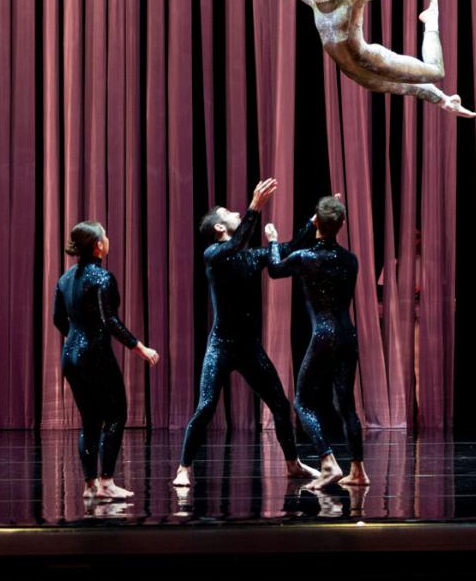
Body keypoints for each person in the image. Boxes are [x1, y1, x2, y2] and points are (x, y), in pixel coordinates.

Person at [173, 178, 319, 487]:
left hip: (249, 347)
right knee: (206, 406)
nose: (237, 212)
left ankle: (293, 464)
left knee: (280, 404)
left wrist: (313, 222)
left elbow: (288, 250)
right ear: (219, 228)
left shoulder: (250, 256)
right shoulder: (213, 255)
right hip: (221, 346)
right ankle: (184, 467)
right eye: (229, 212)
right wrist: (254, 207)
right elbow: (236, 243)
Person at [259, 0, 476, 118]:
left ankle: (431, 22)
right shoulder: (315, 0)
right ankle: (447, 102)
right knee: (410, 88)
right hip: (354, 72)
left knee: (435, 72)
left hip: (372, 59)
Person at [265, 196, 369, 489]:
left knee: (302, 402)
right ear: (343, 225)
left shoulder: (305, 257)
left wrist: (273, 240)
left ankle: (328, 462)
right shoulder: (351, 260)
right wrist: (324, 218)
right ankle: (358, 470)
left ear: (316, 222)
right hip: (347, 335)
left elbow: (274, 269)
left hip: (324, 335)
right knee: (346, 405)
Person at [53, 221, 160, 499]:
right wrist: (141, 347)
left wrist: (75, 338)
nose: (108, 239)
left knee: (90, 419)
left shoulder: (65, 279)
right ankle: (106, 482)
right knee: (115, 414)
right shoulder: (102, 277)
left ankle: (90, 485)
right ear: (98, 245)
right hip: (96, 356)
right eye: (105, 236)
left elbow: (57, 319)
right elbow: (109, 320)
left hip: (71, 357)